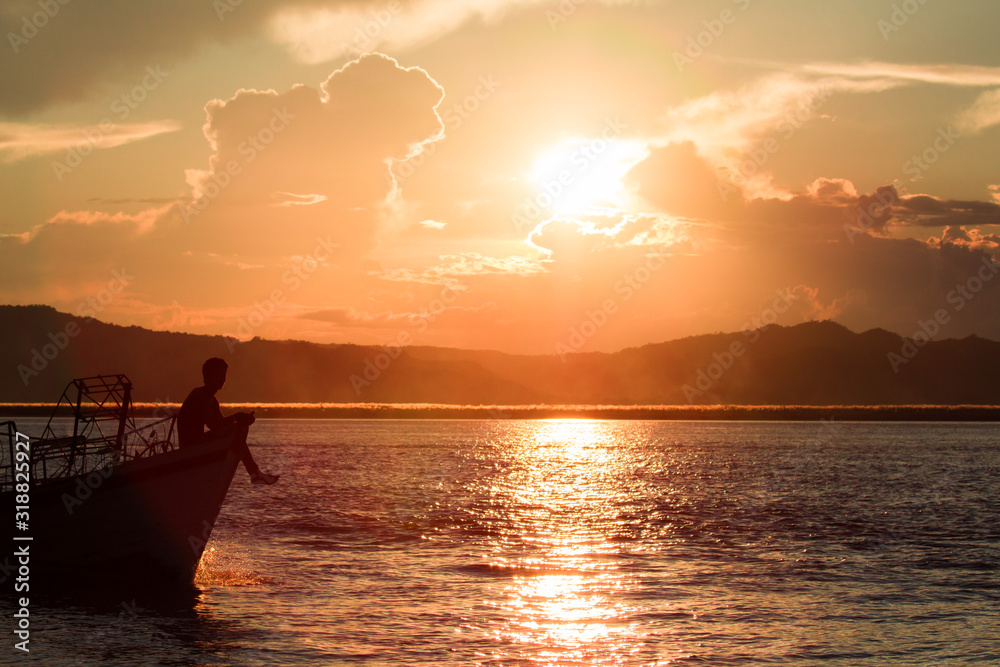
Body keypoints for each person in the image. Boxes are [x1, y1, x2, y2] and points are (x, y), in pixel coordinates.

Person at [177, 357, 279, 485]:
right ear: (208, 376)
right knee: (237, 429)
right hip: (190, 447)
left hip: (200, 443)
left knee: (240, 428)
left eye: (224, 375)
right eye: (218, 375)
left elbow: (222, 426)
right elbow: (214, 425)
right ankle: (253, 472)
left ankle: (252, 472)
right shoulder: (199, 396)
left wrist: (243, 420)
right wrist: (236, 417)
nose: (223, 379)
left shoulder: (212, 401)